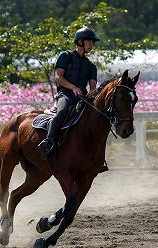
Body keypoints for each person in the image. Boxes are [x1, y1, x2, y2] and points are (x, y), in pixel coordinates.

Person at [38, 27, 99, 160]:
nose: (92, 45)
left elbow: (93, 86)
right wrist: (73, 87)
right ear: (80, 41)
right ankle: (48, 143)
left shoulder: (91, 66)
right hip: (65, 95)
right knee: (62, 112)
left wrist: (92, 95)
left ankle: (96, 155)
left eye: (93, 43)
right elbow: (58, 77)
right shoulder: (65, 56)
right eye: (90, 41)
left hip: (82, 98)